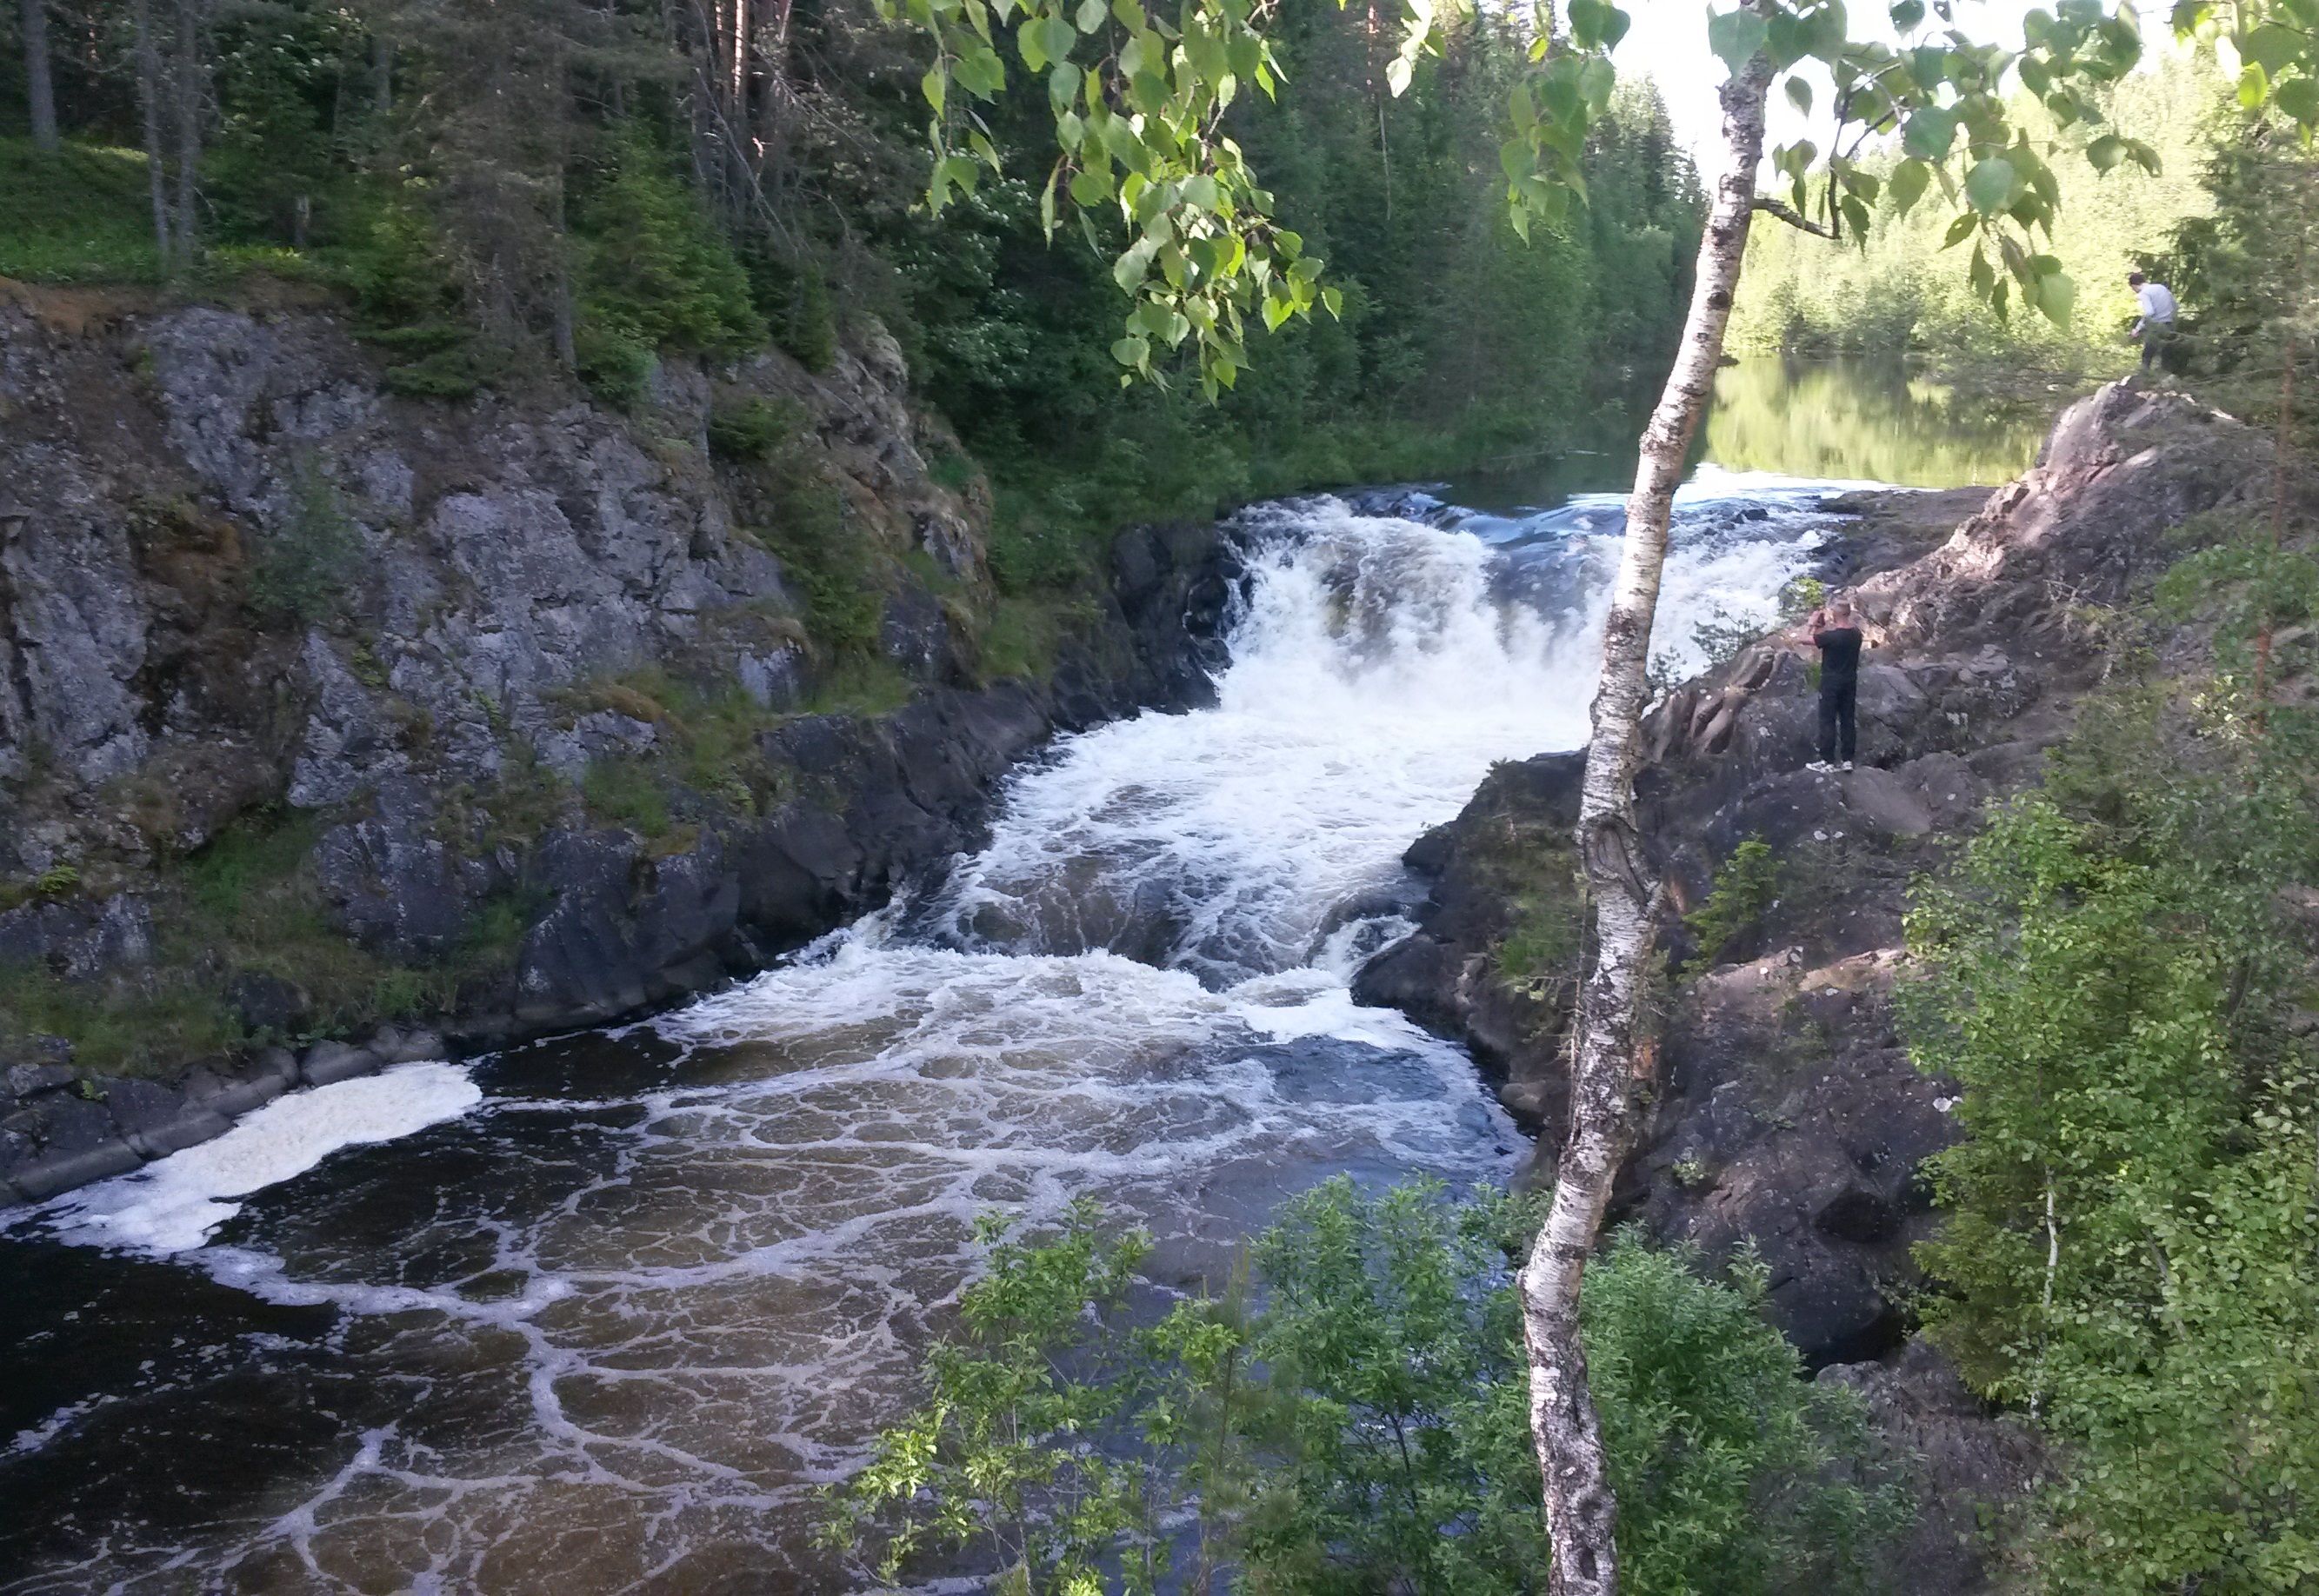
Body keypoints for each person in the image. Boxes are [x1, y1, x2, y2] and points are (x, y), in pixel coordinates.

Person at [1804, 596, 1863, 774]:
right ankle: (1847, 760)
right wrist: (1821, 627)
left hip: (1831, 683)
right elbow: (1828, 638)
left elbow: (1803, 639)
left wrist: (1811, 623)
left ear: (1834, 614)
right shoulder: (1856, 634)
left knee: (1827, 720)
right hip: (1849, 681)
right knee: (1847, 720)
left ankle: (1827, 760)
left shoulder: (1831, 637)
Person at [2129, 270, 2177, 373]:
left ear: (2134, 286)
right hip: (2169, 324)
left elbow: (2149, 312)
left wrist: (2137, 329)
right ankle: (2167, 377)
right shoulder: (2161, 287)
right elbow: (2174, 304)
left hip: (2156, 326)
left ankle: (2144, 376)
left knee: (2147, 354)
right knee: (2167, 354)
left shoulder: (2144, 293)